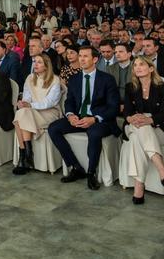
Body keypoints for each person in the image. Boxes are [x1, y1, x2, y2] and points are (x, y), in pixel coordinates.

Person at [48, 45, 120, 190]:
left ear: (94, 59)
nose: (81, 59)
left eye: (85, 56)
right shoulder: (75, 79)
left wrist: (95, 119)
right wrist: (70, 115)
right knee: (53, 128)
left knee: (93, 133)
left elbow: (113, 107)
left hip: (100, 119)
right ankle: (75, 167)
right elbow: (70, 101)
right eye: (80, 55)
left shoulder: (107, 79)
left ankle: (91, 173)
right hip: (79, 117)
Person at [124, 56, 164, 204]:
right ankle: (161, 168)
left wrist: (149, 120)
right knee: (140, 129)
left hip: (160, 126)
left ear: (151, 68)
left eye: (142, 64)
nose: (137, 67)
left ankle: (139, 185)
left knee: (138, 138)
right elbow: (127, 112)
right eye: (135, 65)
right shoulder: (130, 87)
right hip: (134, 123)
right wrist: (131, 119)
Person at [12, 53, 64, 175]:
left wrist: (30, 106)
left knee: (21, 116)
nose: (35, 64)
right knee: (22, 113)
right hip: (31, 112)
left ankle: (24, 156)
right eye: (35, 61)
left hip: (49, 112)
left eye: (39, 62)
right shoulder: (30, 78)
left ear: (46, 66)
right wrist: (24, 103)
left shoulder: (54, 80)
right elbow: (27, 97)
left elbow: (50, 102)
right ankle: (27, 153)